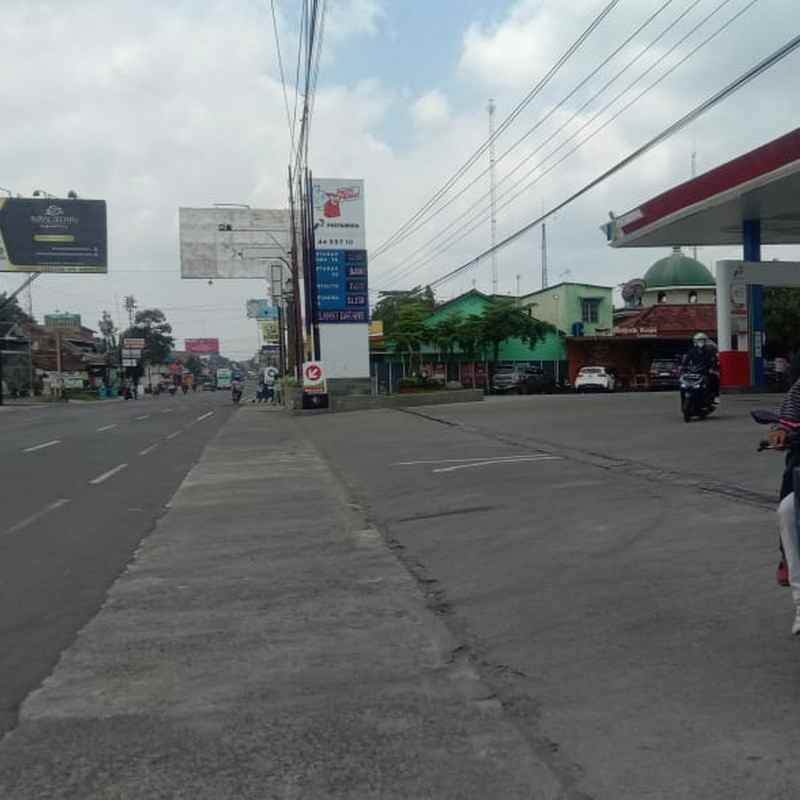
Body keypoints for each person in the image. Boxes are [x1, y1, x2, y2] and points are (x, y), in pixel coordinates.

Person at [681, 332, 719, 402]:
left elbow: (714, 360)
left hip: (706, 370)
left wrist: (712, 368)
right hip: (695, 370)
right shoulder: (691, 351)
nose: (700, 342)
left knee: (714, 378)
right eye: (698, 340)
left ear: (705, 341)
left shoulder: (709, 351)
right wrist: (683, 367)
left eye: (702, 340)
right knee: (684, 381)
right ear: (695, 341)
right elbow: (686, 361)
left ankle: (715, 396)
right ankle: (685, 395)